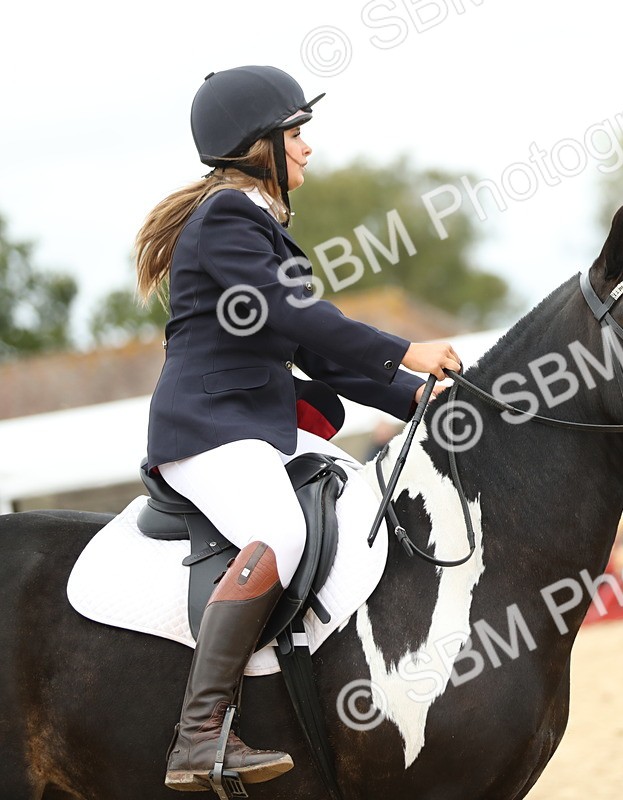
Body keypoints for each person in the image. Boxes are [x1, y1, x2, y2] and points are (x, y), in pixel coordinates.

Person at [135, 65, 460, 791]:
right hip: (208, 431)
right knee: (280, 532)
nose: (307, 147)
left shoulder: (258, 224)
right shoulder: (225, 218)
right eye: (295, 133)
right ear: (258, 146)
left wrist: (422, 401)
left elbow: (315, 353)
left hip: (256, 425)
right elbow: (298, 320)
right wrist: (406, 348)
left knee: (357, 496)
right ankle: (199, 733)